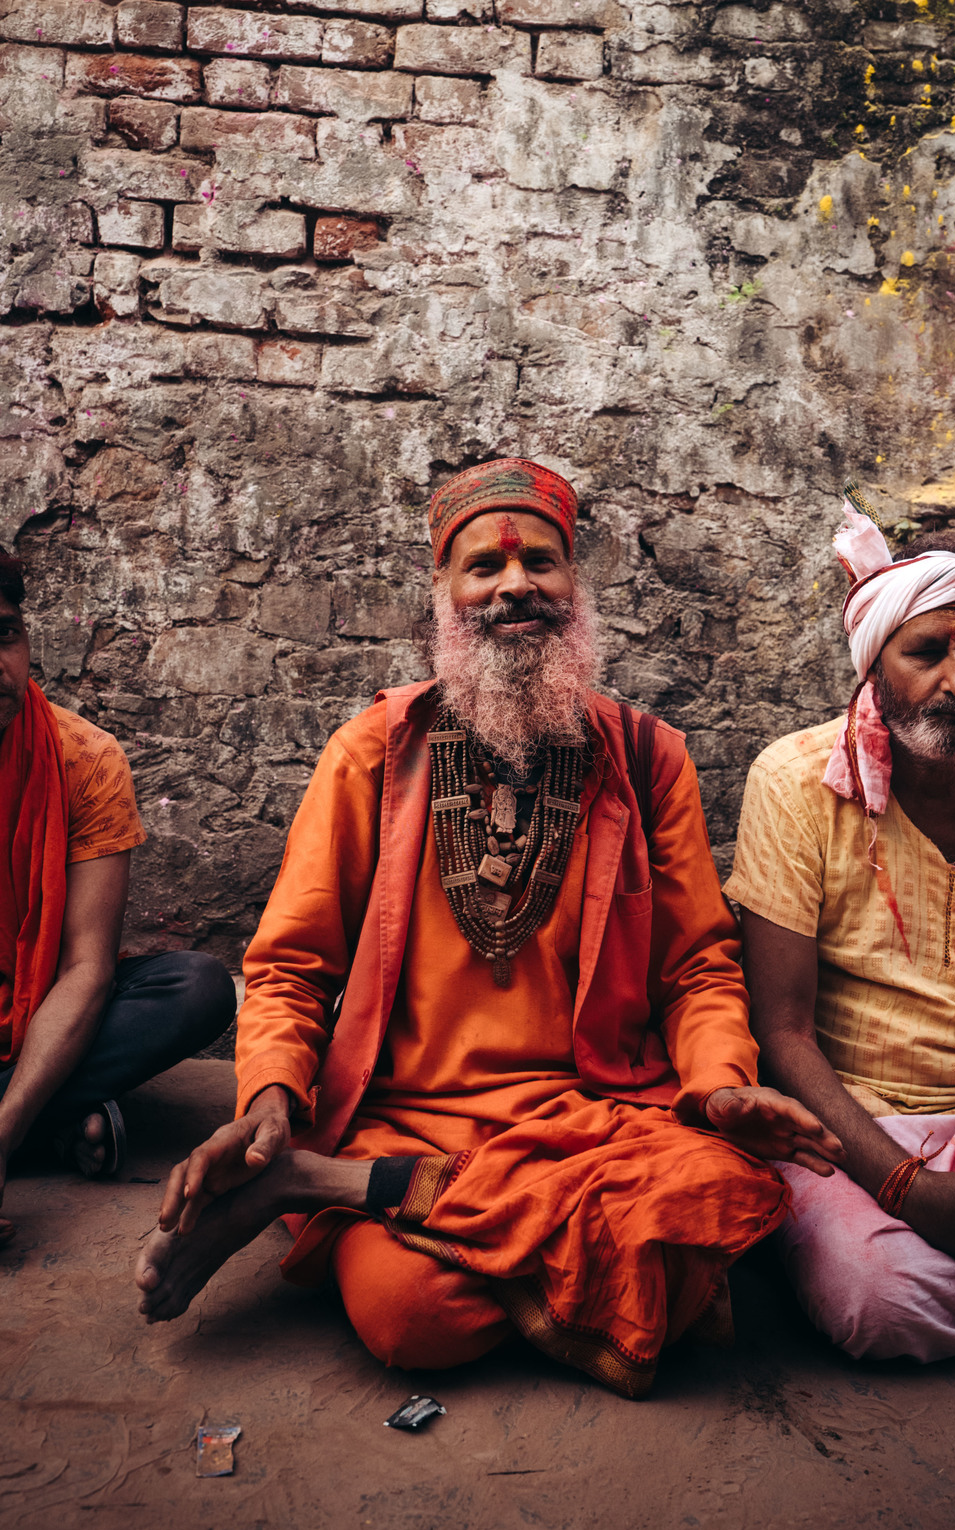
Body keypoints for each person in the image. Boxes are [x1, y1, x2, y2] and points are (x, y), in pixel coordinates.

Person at [135, 457, 840, 1397]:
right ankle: (461, 1221)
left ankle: (323, 1190)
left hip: (601, 1120)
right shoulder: (371, 754)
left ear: (574, 587)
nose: (516, 586)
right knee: (414, 1314)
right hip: (410, 1121)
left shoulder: (644, 755)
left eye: (541, 563)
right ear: (444, 594)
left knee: (730, 1192)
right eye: (483, 568)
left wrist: (717, 1089)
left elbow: (699, 969)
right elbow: (291, 967)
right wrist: (268, 1102)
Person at [724, 481, 955, 1360]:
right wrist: (914, 1191)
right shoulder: (795, 782)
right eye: (925, 653)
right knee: (877, 1301)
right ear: (876, 664)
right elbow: (781, 1032)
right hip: (849, 1128)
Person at [0, 553, 236, 1244]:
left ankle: (24, 1116)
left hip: (43, 1001)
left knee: (195, 987)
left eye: (5, 634)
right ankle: (58, 1120)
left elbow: (85, 967)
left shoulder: (84, 759)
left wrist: (5, 1133)